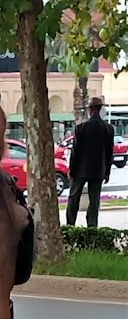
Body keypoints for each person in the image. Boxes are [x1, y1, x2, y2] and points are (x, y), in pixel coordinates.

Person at [66, 96, 115, 228]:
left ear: (90, 109)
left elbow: (75, 151)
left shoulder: (81, 128)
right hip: (98, 170)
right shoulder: (108, 129)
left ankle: (70, 225)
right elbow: (109, 153)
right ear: (100, 109)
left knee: (74, 198)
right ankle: (92, 227)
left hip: (80, 170)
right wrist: (107, 172)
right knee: (94, 201)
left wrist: (71, 169)